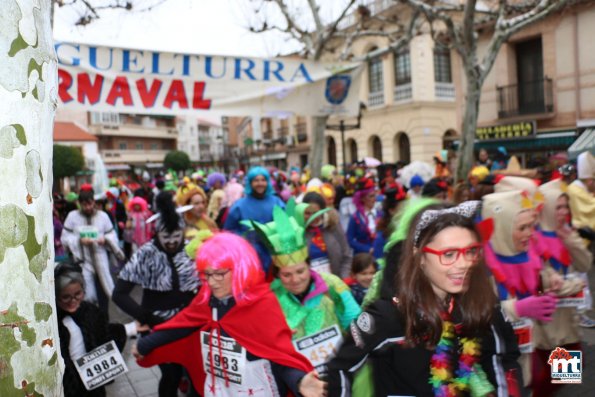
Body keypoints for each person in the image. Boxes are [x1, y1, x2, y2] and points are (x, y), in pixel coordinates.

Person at [327, 202, 522, 396]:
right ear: (419, 256)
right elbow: (341, 368)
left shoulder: (478, 306)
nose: (464, 264)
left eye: (470, 251)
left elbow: (502, 358)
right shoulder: (389, 316)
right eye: (449, 254)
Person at [134, 233, 325, 397]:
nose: (212, 282)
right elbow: (184, 325)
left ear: (240, 269)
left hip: (256, 387)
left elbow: (279, 355)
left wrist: (299, 381)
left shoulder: (262, 302)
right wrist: (146, 344)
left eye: (219, 274)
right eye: (207, 274)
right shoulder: (206, 298)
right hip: (219, 386)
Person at [250, 202, 361, 374]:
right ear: (278, 275)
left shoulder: (332, 285)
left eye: (300, 271)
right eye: (286, 275)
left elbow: (357, 327)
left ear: (309, 266)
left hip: (339, 373)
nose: (295, 280)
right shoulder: (271, 297)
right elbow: (263, 342)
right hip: (298, 379)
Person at [113, 192, 200, 397]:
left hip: (189, 323)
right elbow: (119, 294)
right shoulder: (146, 253)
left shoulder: (190, 250)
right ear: (157, 233)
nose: (171, 242)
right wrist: (146, 317)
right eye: (166, 237)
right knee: (171, 374)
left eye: (176, 236)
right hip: (157, 324)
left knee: (192, 372)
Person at [531, 178, 593, 396]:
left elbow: (585, 263)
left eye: (565, 206)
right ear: (546, 207)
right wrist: (576, 284)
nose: (563, 211)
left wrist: (572, 241)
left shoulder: (565, 232)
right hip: (545, 325)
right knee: (548, 383)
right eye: (558, 206)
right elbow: (547, 282)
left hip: (568, 321)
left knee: (564, 381)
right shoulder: (532, 237)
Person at [56, 260, 144, 397]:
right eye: (66, 297)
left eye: (77, 294)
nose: (73, 301)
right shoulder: (52, 322)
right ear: (56, 296)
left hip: (92, 383)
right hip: (67, 387)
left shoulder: (91, 312)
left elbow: (106, 335)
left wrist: (131, 328)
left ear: (83, 291)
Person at [61, 185, 124, 311]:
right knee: (86, 293)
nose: (88, 207)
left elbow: (112, 235)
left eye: (90, 204)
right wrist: (79, 241)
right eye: (84, 205)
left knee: (104, 292)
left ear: (94, 201)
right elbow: (65, 237)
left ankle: (105, 319)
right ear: (79, 204)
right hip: (82, 261)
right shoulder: (72, 217)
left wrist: (105, 239)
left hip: (101, 258)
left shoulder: (103, 216)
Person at [224, 166, 285, 273]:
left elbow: (285, 225)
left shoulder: (276, 202)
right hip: (248, 255)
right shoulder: (239, 206)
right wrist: (246, 239)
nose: (260, 183)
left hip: (275, 254)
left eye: (263, 180)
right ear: (250, 183)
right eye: (256, 180)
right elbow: (228, 232)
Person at [301, 191, 352, 278]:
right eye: (308, 213)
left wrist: (344, 279)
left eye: (315, 213)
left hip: (336, 281)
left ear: (322, 211)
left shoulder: (333, 226)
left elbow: (347, 255)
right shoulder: (300, 231)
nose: (312, 217)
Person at [347, 177, 381, 257]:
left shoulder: (380, 214)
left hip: (380, 255)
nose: (374, 199)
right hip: (363, 257)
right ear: (362, 199)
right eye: (371, 196)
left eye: (374, 196)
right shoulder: (356, 217)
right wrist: (367, 249)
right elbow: (350, 240)